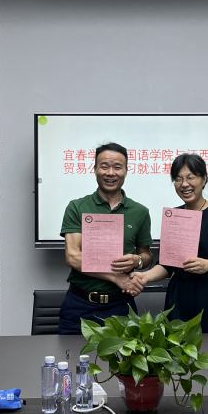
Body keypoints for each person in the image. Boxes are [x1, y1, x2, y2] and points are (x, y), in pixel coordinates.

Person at [130, 152, 208, 333]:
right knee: (178, 348)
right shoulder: (174, 216)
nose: (184, 184)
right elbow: (166, 265)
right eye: (178, 179)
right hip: (180, 296)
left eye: (190, 177)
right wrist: (145, 277)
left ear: (204, 179)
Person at [58, 142, 151, 335]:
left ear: (126, 171)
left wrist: (138, 260)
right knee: (72, 354)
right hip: (80, 305)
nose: (110, 173)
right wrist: (116, 277)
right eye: (104, 166)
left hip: (121, 306)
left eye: (117, 167)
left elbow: (146, 255)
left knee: (123, 355)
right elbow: (72, 257)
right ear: (94, 170)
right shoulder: (77, 207)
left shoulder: (140, 212)